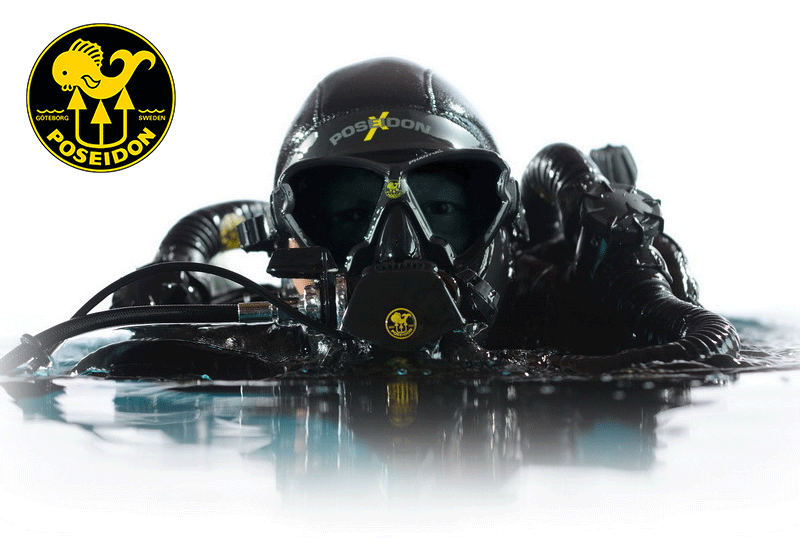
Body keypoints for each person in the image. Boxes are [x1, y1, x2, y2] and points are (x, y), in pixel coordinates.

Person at [108, 57, 739, 371]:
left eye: (438, 208)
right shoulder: (249, 339)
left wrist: (639, 287)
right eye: (350, 217)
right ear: (288, 250)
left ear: (502, 230)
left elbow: (708, 347)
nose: (399, 249)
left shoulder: (556, 306)